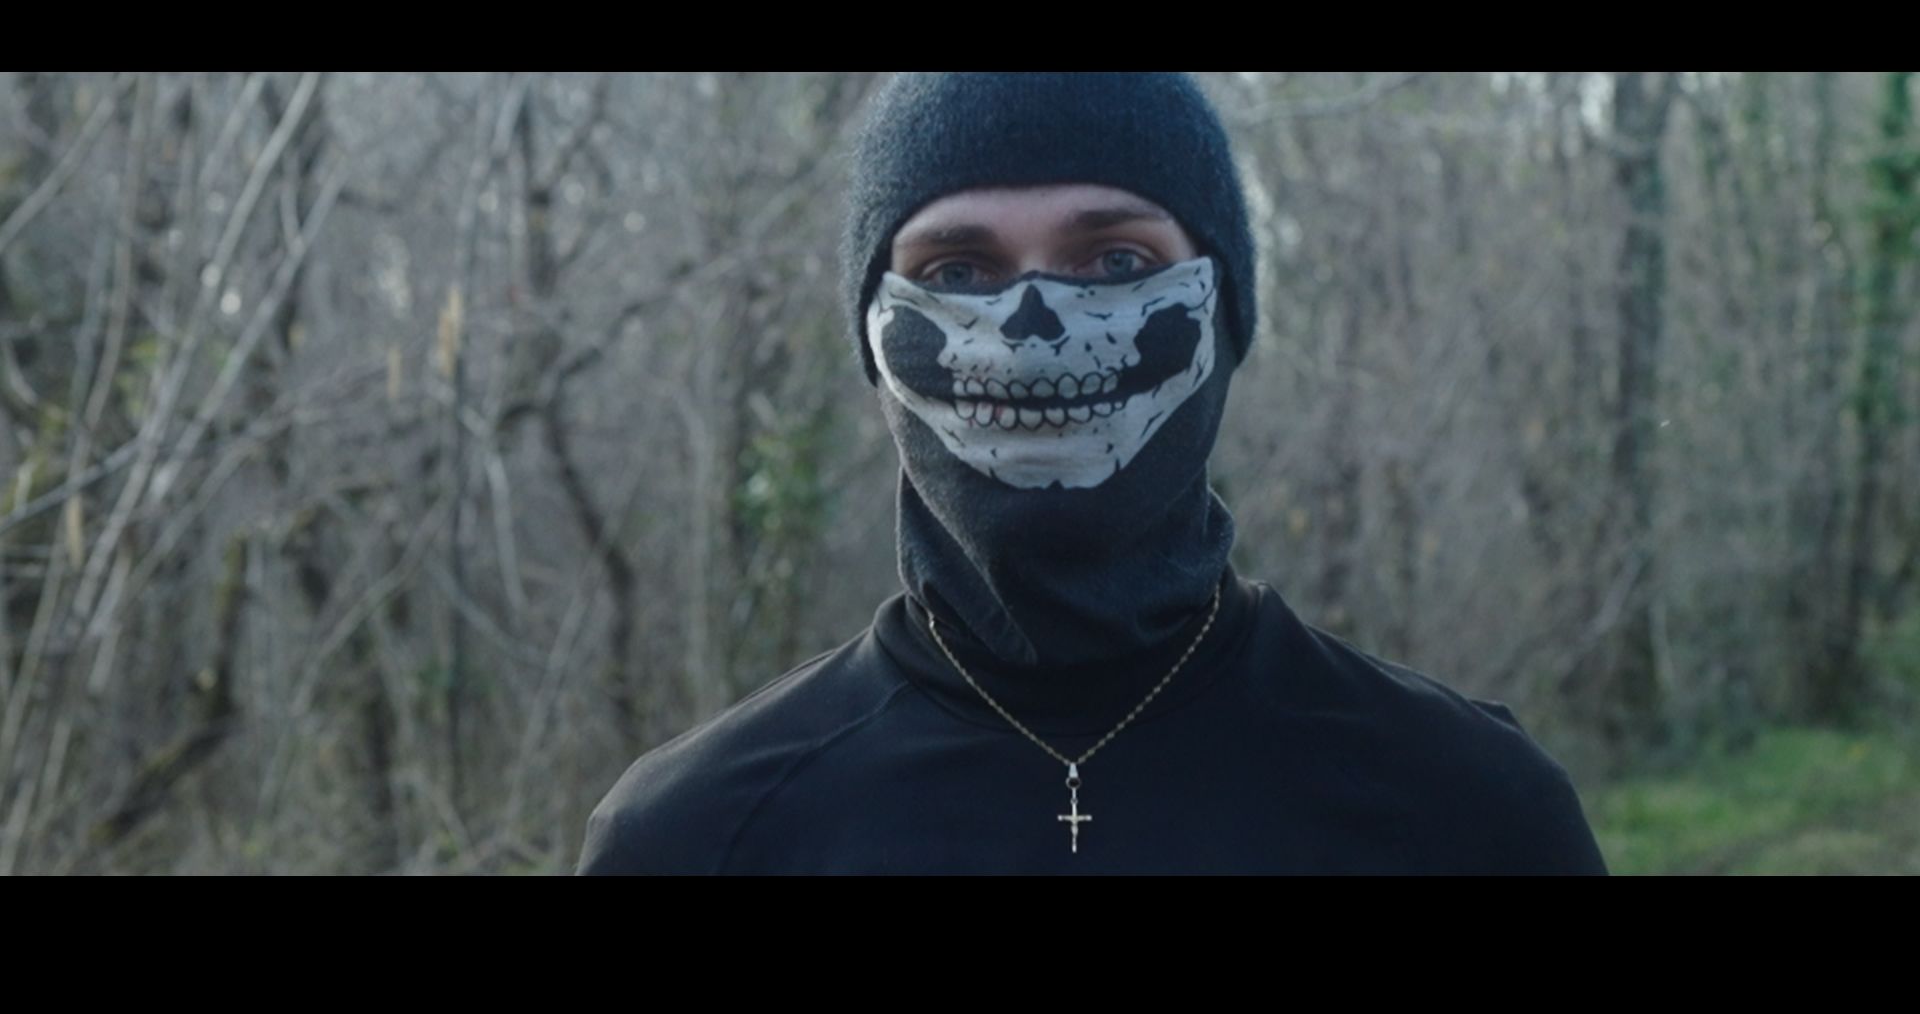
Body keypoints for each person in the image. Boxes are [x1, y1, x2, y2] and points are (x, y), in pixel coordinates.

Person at [576, 72, 1609, 875]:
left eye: (1116, 262)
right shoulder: (693, 839)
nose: (1032, 329)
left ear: (1225, 314)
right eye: (957, 271)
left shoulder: (1468, 809)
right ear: (875, 337)